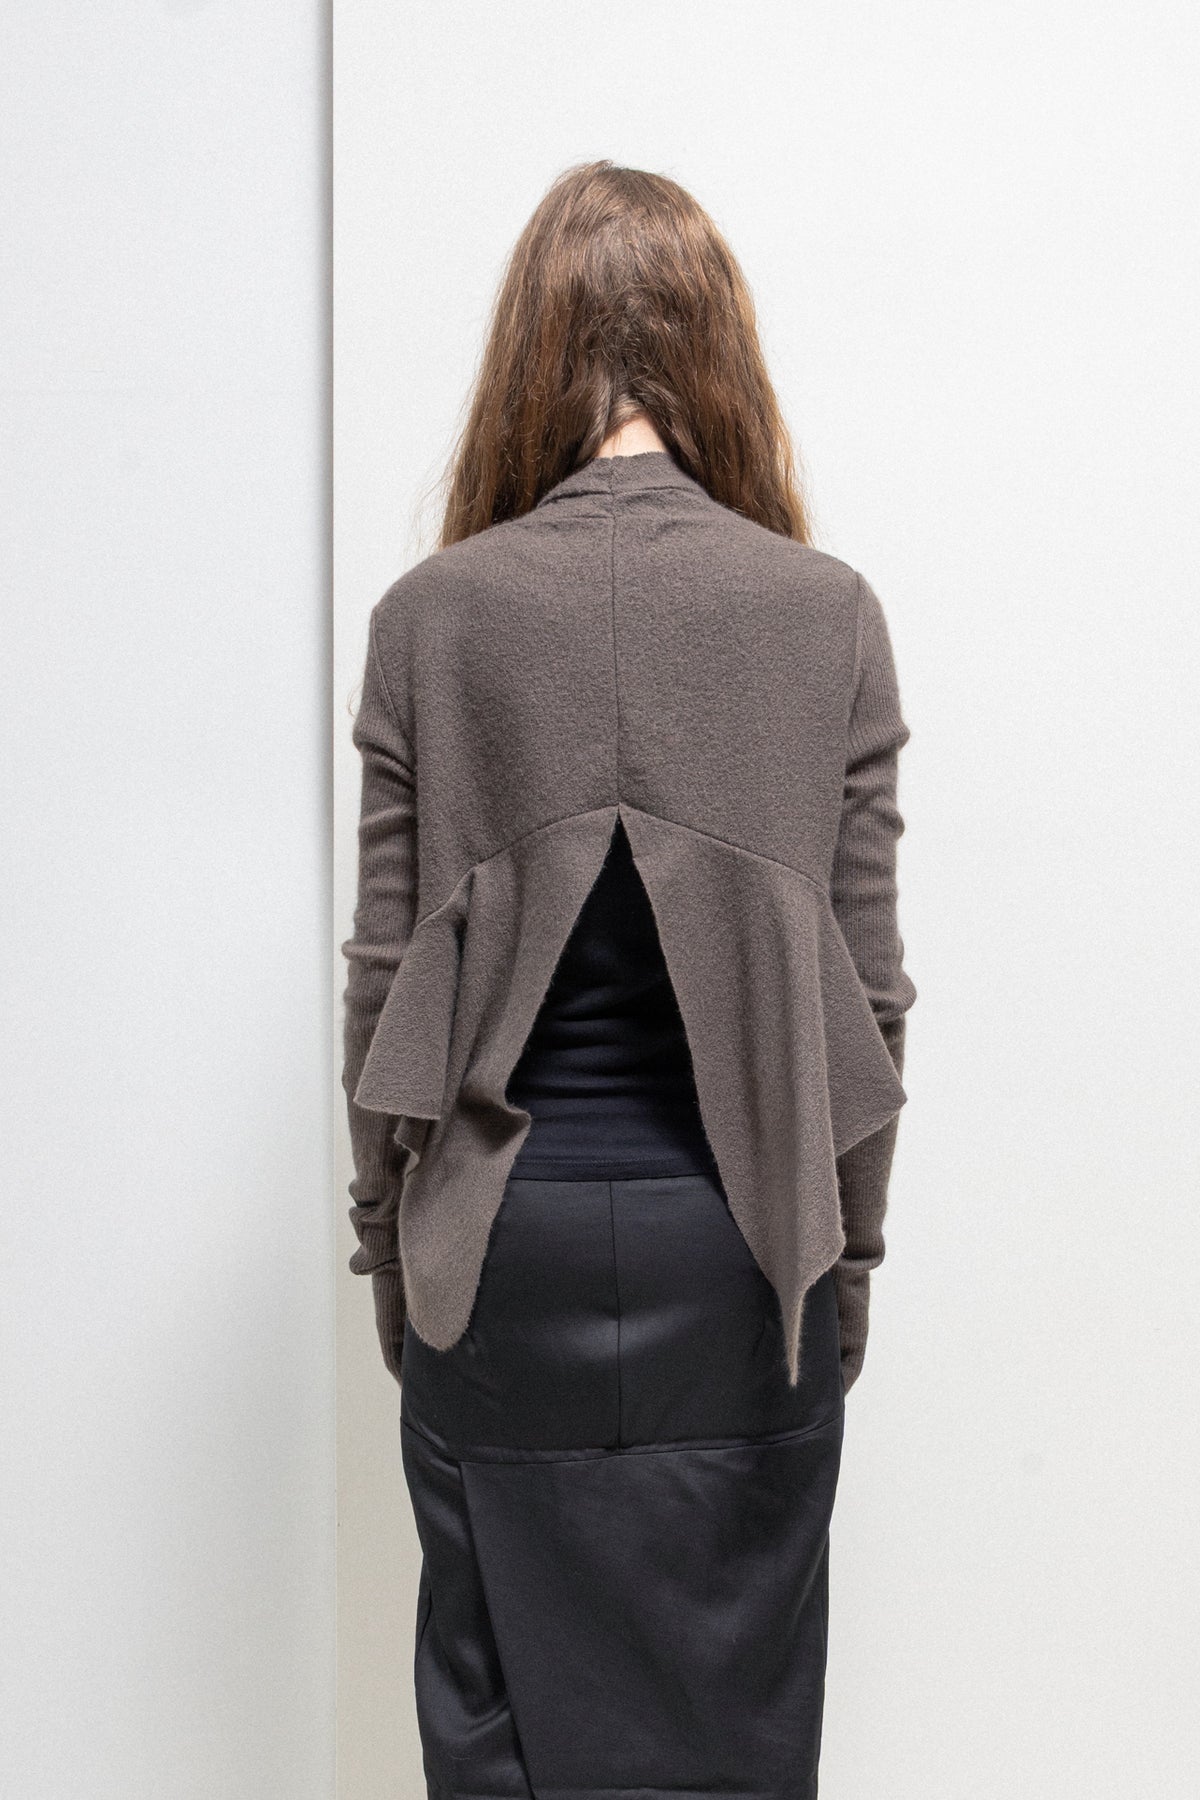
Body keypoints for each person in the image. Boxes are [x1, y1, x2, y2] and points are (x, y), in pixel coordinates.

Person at [341, 157, 917, 1800]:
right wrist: (844, 1274)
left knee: (502, 1742)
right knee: (735, 1740)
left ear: (526, 356)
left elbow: (382, 989)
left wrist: (396, 1268)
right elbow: (871, 995)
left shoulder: (430, 621)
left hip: (498, 1270)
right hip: (741, 1266)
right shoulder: (825, 616)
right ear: (718, 352)